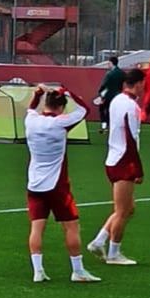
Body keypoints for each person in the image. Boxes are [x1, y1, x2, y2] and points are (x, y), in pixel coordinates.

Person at [24, 85, 101, 283]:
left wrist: (38, 94)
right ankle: (78, 270)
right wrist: (67, 90)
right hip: (57, 184)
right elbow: (84, 110)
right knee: (71, 227)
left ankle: (38, 271)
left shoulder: (31, 120)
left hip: (34, 183)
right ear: (61, 108)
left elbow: (32, 108)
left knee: (36, 228)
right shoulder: (60, 123)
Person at [88, 68, 145, 265]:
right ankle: (114, 253)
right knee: (122, 210)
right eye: (142, 84)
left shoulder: (117, 100)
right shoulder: (130, 106)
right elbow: (130, 136)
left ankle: (99, 240)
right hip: (124, 160)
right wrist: (137, 167)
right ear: (137, 84)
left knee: (129, 208)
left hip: (114, 156)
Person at [97, 57, 126, 133]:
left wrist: (100, 94)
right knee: (112, 112)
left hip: (108, 95)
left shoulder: (109, 74)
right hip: (118, 96)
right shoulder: (122, 73)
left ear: (111, 63)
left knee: (102, 110)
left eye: (109, 63)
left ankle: (104, 127)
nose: (108, 65)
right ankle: (112, 127)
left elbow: (104, 85)